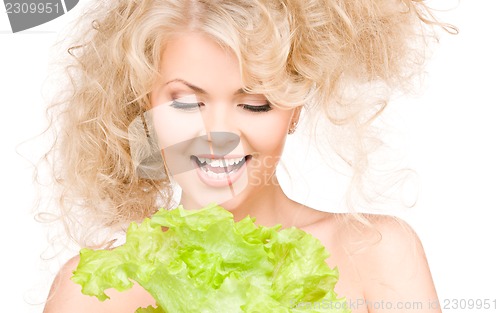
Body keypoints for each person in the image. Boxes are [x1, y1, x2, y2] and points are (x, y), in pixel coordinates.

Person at [40, 0, 455, 312]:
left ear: (294, 109)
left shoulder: (376, 252)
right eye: (186, 103)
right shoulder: (90, 292)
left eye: (255, 104)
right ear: (143, 109)